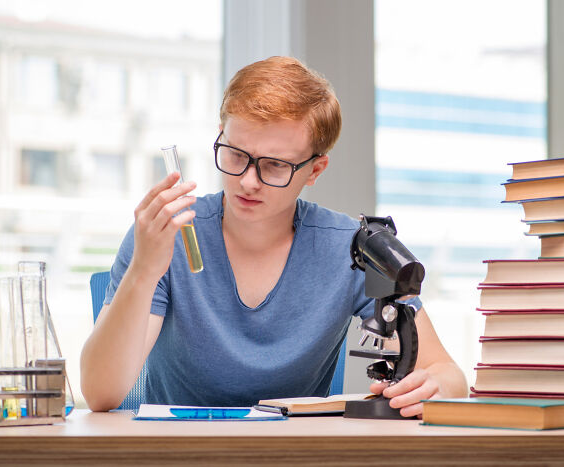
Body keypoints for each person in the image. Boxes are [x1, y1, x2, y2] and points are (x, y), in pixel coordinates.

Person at [80, 56, 467, 417]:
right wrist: (143, 273)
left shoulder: (349, 247)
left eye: (275, 165)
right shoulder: (168, 233)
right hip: (180, 450)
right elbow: (101, 393)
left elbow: (449, 375)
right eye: (235, 155)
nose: (248, 181)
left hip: (293, 451)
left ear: (315, 170)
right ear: (220, 136)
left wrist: (431, 387)